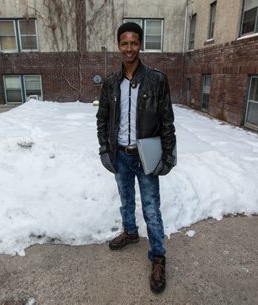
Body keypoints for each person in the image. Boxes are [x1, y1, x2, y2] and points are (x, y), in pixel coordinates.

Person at [96, 22, 176, 294]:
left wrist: (168, 156)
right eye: (124, 43)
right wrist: (105, 150)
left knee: (152, 210)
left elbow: (167, 121)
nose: (129, 48)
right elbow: (102, 119)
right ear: (118, 45)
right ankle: (130, 233)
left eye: (134, 43)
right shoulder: (110, 83)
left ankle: (158, 257)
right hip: (120, 155)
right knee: (126, 201)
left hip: (147, 156)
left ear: (140, 45)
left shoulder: (156, 79)